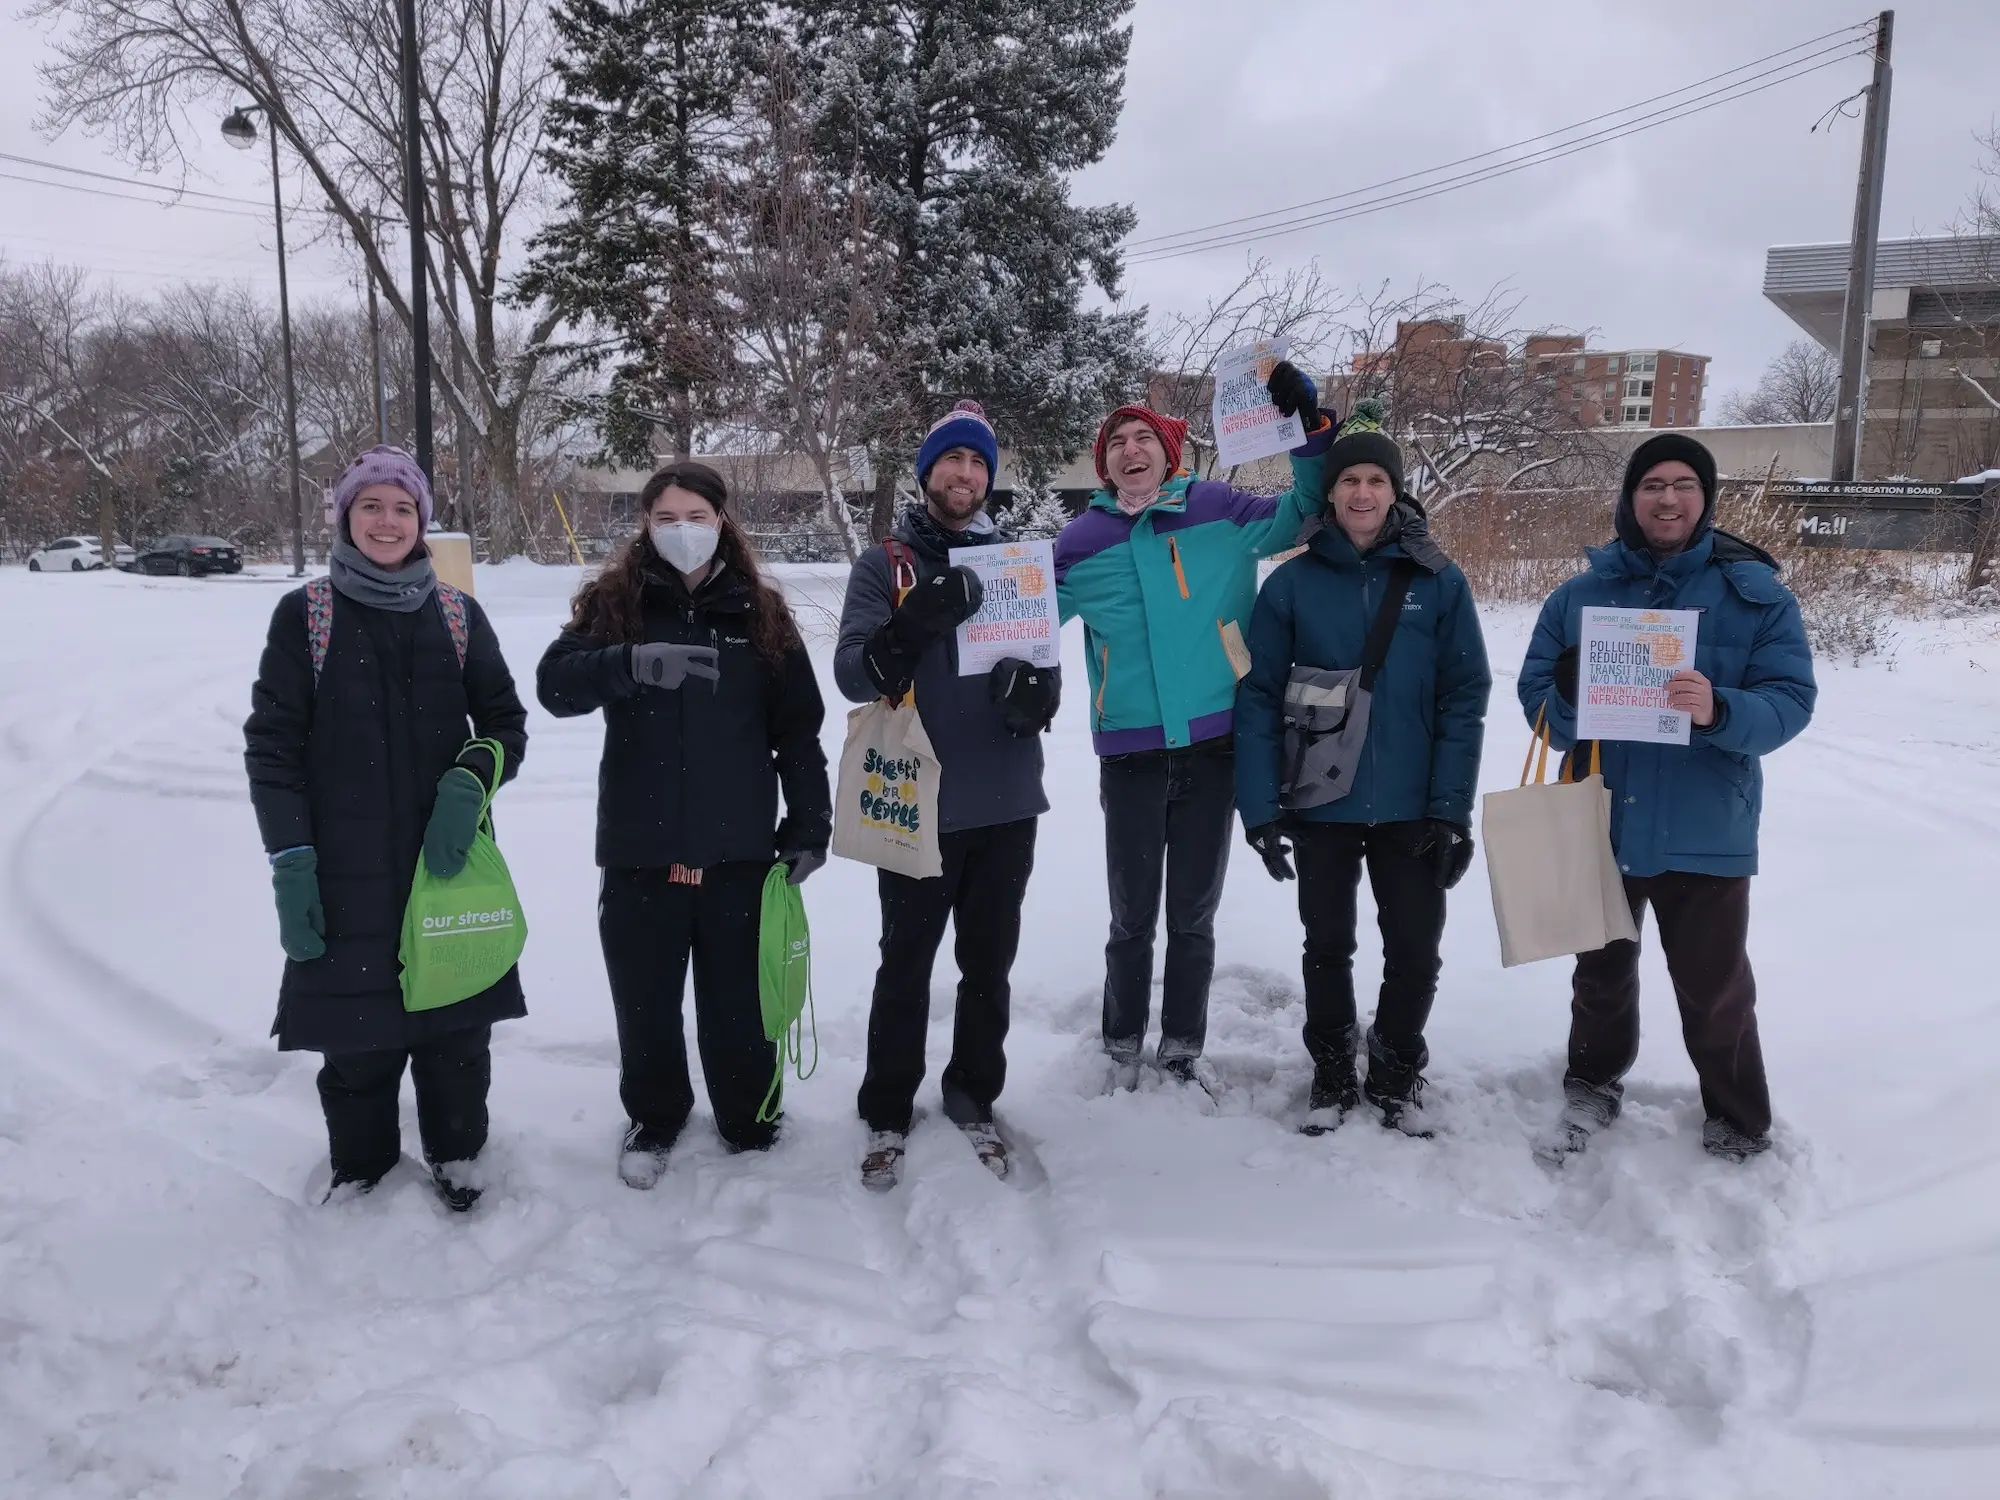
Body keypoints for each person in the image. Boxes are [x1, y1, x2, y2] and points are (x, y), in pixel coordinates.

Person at [245, 445, 528, 1212]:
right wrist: (292, 859)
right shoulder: (306, 614)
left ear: (422, 522)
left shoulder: (458, 614)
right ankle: (362, 1171)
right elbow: (272, 747)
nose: (387, 519)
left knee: (457, 1038)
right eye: (371, 504)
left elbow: (505, 721)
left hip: (447, 865)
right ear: (345, 514)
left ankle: (460, 1162)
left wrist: (472, 779)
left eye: (403, 507)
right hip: (343, 871)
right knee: (358, 1040)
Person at [1518, 434, 1816, 1164]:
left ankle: (1739, 1118)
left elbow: (1792, 701)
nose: (1668, 498)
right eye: (1652, 484)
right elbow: (1536, 705)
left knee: (1715, 989)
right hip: (1604, 821)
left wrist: (1719, 711)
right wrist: (1566, 693)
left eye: (1685, 484)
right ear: (1631, 496)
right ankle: (1591, 1084)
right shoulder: (1580, 596)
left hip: (1705, 828)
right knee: (1600, 980)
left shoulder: (1758, 596)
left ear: (1706, 498)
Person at [537, 461, 830, 1187]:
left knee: (739, 1004)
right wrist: (630, 662)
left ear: (723, 522)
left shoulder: (759, 612)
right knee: (646, 1006)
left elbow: (798, 732)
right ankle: (655, 1117)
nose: (683, 532)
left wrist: (809, 825)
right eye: (666, 518)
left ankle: (749, 1116)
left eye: (697, 517)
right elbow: (554, 686)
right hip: (641, 849)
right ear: (645, 525)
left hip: (738, 852)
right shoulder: (615, 604)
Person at [1053, 364, 1334, 1094]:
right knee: (1131, 916)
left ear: (1167, 453)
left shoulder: (1219, 511)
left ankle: (1181, 1048)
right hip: (1133, 754)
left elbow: (1305, 510)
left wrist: (1305, 429)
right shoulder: (1080, 541)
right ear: (1104, 461)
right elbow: (1020, 621)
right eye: (1117, 441)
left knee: (1193, 917)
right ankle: (1119, 1045)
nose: (1130, 449)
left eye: (1143, 436)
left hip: (1215, 749)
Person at [1235, 405, 1491, 1136]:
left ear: (1395, 491)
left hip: (1412, 807)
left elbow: (1463, 697)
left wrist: (1450, 810)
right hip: (1321, 804)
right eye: (1349, 478)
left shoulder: (1438, 582)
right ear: (1332, 492)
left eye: (1377, 479)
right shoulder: (1289, 586)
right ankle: (1330, 1063)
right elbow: (1257, 697)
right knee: (1327, 946)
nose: (1362, 493)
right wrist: (1259, 812)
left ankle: (1396, 1064)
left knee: (1415, 949)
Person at [834, 400, 1060, 1191]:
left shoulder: (1017, 567)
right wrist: (914, 623)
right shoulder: (887, 564)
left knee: (988, 966)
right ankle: (887, 1108)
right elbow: (854, 674)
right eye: (952, 461)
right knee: (906, 964)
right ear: (929, 471)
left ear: (988, 481)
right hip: (919, 799)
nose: (964, 475)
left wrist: (1039, 696)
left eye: (978, 464)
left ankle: (972, 1095)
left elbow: (1044, 667)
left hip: (1006, 799)